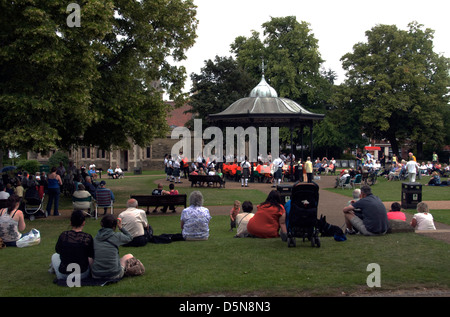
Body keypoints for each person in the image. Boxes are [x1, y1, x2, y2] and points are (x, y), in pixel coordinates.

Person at [51, 210, 94, 280]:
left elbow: (58, 250)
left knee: (55, 256)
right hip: (82, 274)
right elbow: (91, 254)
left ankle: (52, 270)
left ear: (71, 223)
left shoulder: (63, 235)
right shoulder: (87, 237)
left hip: (64, 275)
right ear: (83, 223)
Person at [91, 214, 134, 280]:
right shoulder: (117, 236)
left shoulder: (96, 238)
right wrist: (121, 227)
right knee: (129, 256)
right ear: (115, 226)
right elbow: (130, 237)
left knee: (89, 258)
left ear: (102, 224)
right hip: (114, 274)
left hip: (96, 274)